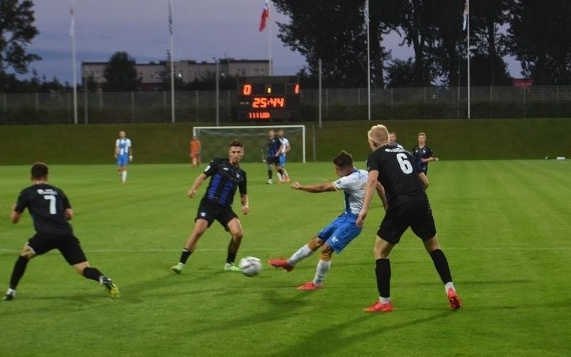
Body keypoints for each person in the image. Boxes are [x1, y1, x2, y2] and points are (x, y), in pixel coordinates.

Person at [357, 124, 461, 312]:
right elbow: (425, 183)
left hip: (400, 204)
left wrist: (364, 209)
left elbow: (372, 180)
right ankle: (450, 289)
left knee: (381, 252)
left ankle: (384, 302)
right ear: (388, 138)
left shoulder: (375, 156)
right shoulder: (405, 152)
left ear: (373, 142)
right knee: (434, 247)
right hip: (421, 202)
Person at [269, 151, 386, 290]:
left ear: (348, 168)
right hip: (345, 217)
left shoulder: (349, 179)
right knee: (317, 240)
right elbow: (378, 186)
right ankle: (289, 263)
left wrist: (301, 187)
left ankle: (316, 283)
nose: (336, 172)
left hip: (353, 222)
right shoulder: (365, 173)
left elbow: (323, 188)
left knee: (326, 249)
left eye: (338, 170)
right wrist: (385, 203)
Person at [3, 162, 119, 301]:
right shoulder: (58, 191)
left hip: (45, 235)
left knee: (24, 256)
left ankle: (11, 291)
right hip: (65, 234)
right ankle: (102, 278)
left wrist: (13, 209)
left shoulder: (27, 192)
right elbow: (69, 214)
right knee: (83, 268)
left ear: (31, 176)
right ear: (47, 176)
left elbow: (14, 220)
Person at [172, 139, 249, 274]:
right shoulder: (218, 163)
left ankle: (229, 264)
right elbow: (203, 176)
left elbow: (243, 194)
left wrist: (246, 205)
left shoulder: (242, 174)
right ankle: (181, 263)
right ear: (229, 153)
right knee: (199, 230)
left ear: (243, 153)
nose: (236, 154)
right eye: (233, 152)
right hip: (209, 203)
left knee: (238, 233)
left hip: (225, 208)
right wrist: (193, 189)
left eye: (238, 152)